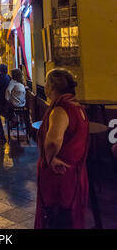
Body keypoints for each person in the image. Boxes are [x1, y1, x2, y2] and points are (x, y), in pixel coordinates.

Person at [35, 68, 89, 229]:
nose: (44, 86)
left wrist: (50, 159)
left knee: (57, 218)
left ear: (51, 87)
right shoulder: (76, 106)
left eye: (46, 82)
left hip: (60, 177)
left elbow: (53, 141)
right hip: (75, 172)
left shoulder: (60, 109)